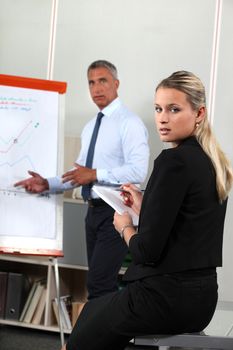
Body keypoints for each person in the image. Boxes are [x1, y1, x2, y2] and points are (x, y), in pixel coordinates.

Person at [60, 70, 233, 350]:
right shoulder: (213, 162)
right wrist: (144, 204)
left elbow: (145, 252)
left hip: (165, 298)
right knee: (95, 314)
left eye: (174, 109)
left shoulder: (172, 162)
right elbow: (185, 226)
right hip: (202, 300)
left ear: (199, 113)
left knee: (84, 327)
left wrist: (124, 226)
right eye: (158, 109)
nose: (163, 118)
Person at [14, 60, 149, 300]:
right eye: (91, 82)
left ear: (116, 84)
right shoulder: (90, 128)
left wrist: (96, 174)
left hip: (117, 212)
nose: (96, 88)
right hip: (93, 213)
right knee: (97, 283)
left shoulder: (130, 123)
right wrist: (48, 183)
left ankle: (98, 338)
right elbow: (79, 173)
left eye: (103, 81)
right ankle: (98, 337)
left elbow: (138, 171)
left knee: (100, 284)